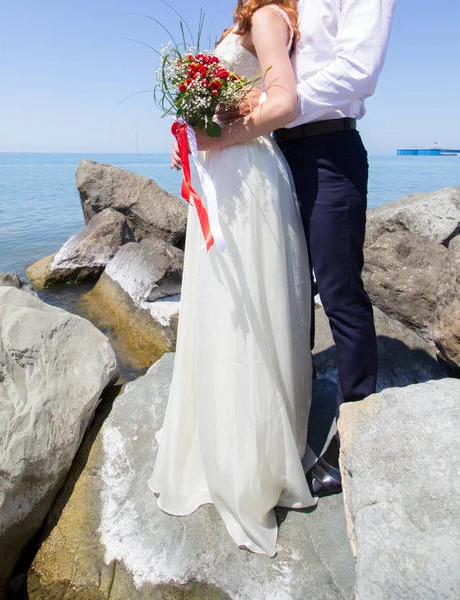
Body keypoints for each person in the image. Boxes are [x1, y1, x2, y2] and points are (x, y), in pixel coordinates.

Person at [172, 0, 396, 498]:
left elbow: (357, 73)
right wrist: (199, 128)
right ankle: (289, 419)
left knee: (339, 288)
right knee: (287, 286)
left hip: (326, 149)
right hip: (272, 150)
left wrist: (260, 103)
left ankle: (356, 438)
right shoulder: (283, 8)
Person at [149, 0, 316, 557]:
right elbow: (231, 107)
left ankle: (249, 464)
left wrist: (218, 137)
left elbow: (285, 103)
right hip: (225, 179)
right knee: (219, 308)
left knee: (240, 314)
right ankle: (217, 438)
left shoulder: (269, 16)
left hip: (246, 184)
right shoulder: (242, 25)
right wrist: (195, 136)